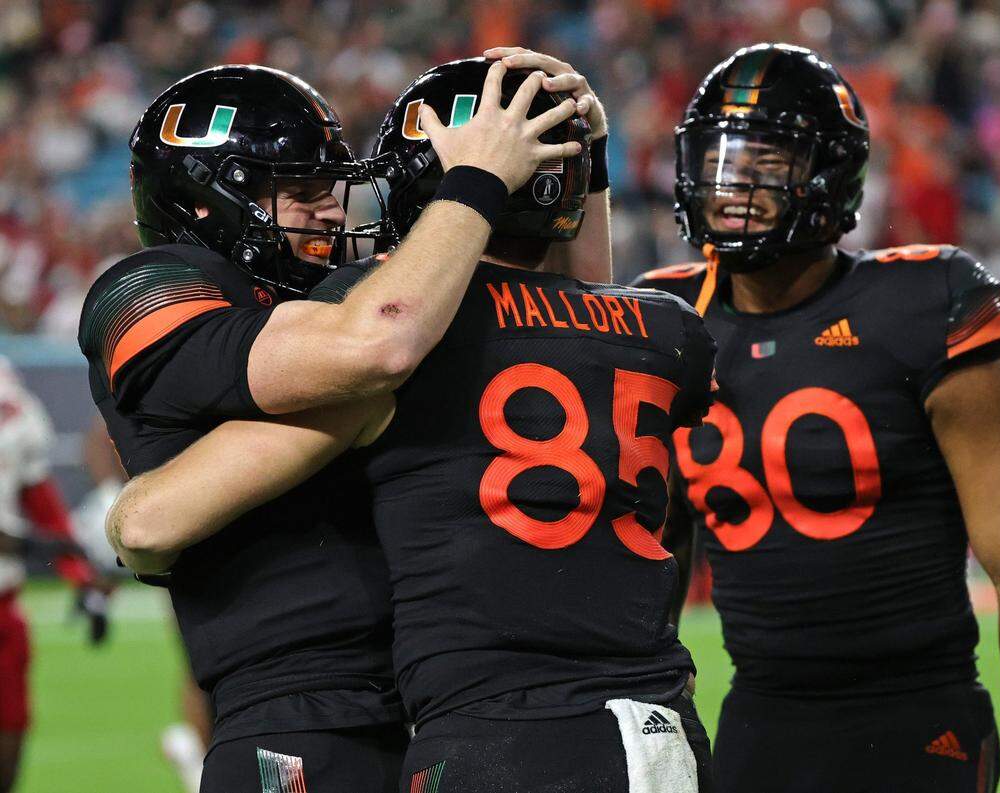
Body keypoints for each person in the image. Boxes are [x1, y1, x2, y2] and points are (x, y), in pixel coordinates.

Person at [107, 55, 718, 793]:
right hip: (309, 714)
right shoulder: (148, 288)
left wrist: (522, 178)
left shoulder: (410, 332)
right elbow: (397, 341)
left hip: (445, 715)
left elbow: (145, 523)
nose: (335, 213)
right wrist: (562, 171)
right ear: (204, 204)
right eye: (302, 193)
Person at [634, 43, 1000, 793]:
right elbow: (658, 549)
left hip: (917, 712)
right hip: (761, 716)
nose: (734, 184)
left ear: (829, 175)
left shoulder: (922, 304)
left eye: (766, 160)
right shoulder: (667, 321)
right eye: (719, 158)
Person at [0, 357, 106, 793]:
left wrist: (80, 578)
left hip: (3, 613)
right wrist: (28, 546)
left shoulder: (9, 388)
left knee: (9, 744)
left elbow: (37, 495)